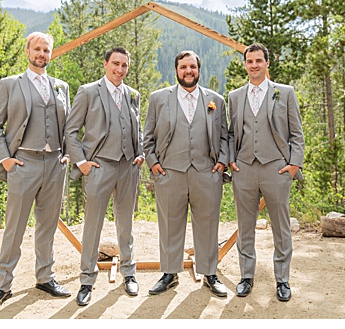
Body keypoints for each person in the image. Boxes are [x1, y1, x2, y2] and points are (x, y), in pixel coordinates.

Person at [0, 31, 73, 313]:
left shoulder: (61, 86)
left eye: (46, 50)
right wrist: (6, 160)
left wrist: (68, 153)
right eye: (37, 49)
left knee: (47, 227)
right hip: (24, 163)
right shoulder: (11, 85)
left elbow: (68, 126)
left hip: (55, 165)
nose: (41, 54)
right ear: (27, 51)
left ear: (51, 54)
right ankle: (2, 285)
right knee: (15, 228)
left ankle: (45, 278)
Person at [141, 50, 231, 297]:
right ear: (176, 70)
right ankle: (169, 273)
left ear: (199, 70)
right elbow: (147, 136)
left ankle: (210, 273)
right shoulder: (159, 99)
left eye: (192, 67)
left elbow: (225, 136)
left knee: (208, 224)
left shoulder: (216, 100)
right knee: (169, 224)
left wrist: (222, 162)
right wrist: (153, 163)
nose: (188, 71)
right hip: (170, 173)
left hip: (206, 173)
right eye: (183, 67)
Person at [64, 46, 145, 306]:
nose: (120, 69)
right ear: (105, 63)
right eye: (116, 64)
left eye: (124, 65)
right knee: (93, 225)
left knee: (126, 223)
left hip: (127, 167)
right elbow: (71, 131)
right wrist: (83, 163)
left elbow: (138, 128)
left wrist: (140, 153)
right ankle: (87, 279)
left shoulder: (133, 95)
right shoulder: (88, 92)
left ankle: (129, 273)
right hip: (99, 167)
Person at [227, 43, 305, 302]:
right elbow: (230, 133)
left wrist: (293, 165)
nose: (254, 65)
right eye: (250, 61)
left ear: (267, 63)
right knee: (245, 226)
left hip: (276, 168)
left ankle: (282, 279)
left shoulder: (285, 93)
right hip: (244, 168)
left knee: (281, 227)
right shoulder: (235, 96)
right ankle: (246, 277)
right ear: (245, 64)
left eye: (259, 60)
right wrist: (231, 160)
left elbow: (296, 134)